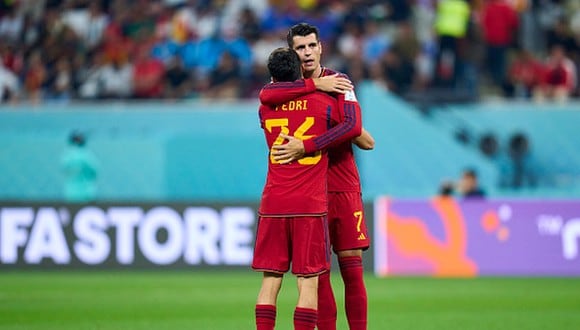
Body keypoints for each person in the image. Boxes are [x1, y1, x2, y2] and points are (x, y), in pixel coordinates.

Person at [259, 23, 374, 330]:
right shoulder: (283, 88)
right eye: (300, 48)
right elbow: (265, 94)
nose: (307, 53)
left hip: (342, 184)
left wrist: (308, 145)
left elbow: (352, 127)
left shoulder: (340, 82)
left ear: (321, 46)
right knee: (317, 277)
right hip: (310, 192)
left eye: (312, 46)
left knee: (352, 270)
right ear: (292, 53)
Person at [252, 47, 348, 330]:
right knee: (308, 282)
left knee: (270, 281)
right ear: (299, 72)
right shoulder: (324, 104)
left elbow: (270, 94)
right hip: (309, 204)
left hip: (274, 203)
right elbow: (348, 128)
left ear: (272, 77)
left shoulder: (265, 107)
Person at [61, 130, 99, 202]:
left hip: (70, 194)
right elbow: (95, 172)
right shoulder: (86, 155)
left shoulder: (66, 156)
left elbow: (64, 169)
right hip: (86, 193)